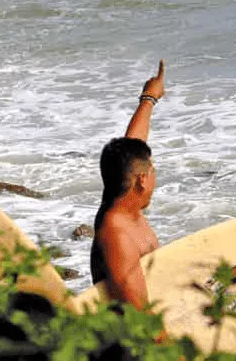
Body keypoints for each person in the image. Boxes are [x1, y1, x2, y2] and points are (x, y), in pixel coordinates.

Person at [90, 60, 166, 315]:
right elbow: (141, 318)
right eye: (152, 170)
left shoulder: (121, 198)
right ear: (141, 179)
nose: (155, 176)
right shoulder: (117, 236)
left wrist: (149, 99)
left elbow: (132, 145)